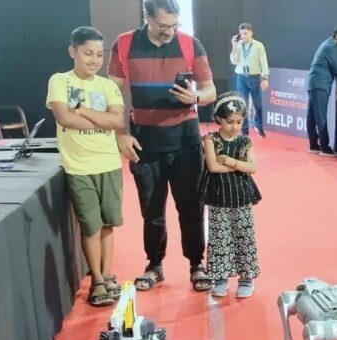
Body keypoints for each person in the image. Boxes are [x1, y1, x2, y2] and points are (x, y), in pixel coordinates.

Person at [108, 0, 217, 292]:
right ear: (148, 17)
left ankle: (197, 263)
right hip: (145, 143)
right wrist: (120, 133)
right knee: (151, 209)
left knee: (191, 207)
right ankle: (154, 265)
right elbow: (110, 93)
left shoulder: (190, 44)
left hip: (186, 142)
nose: (169, 31)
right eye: (163, 25)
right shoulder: (125, 43)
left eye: (174, 25)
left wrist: (194, 98)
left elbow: (210, 91)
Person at [46, 26, 126, 307]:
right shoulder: (59, 81)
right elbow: (64, 119)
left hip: (109, 163)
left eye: (99, 55)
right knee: (90, 226)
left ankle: (108, 273)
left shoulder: (108, 86)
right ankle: (97, 280)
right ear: (73, 52)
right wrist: (96, 118)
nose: (94, 60)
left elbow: (117, 122)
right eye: (87, 53)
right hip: (78, 166)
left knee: (107, 224)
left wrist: (81, 111)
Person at [200, 93, 262, 298]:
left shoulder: (244, 142)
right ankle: (220, 278)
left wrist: (230, 162)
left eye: (239, 122)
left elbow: (252, 167)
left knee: (244, 238)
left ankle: (246, 279)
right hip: (218, 198)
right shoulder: (211, 139)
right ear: (219, 118)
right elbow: (212, 167)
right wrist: (238, 166)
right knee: (219, 238)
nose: (234, 126)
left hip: (242, 198)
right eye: (229, 122)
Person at [306, 25, 337, 156]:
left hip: (314, 82)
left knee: (312, 116)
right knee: (320, 116)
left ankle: (314, 145)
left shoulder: (326, 44)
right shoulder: (330, 46)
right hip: (320, 84)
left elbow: (335, 68)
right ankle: (325, 148)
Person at [230, 23, 270, 138]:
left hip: (254, 77)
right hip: (241, 77)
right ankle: (244, 131)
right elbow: (234, 61)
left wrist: (265, 78)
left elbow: (264, 62)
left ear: (251, 33)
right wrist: (233, 46)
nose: (243, 36)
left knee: (258, 105)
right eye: (241, 33)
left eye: (245, 33)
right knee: (242, 105)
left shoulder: (258, 46)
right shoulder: (238, 45)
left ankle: (259, 125)